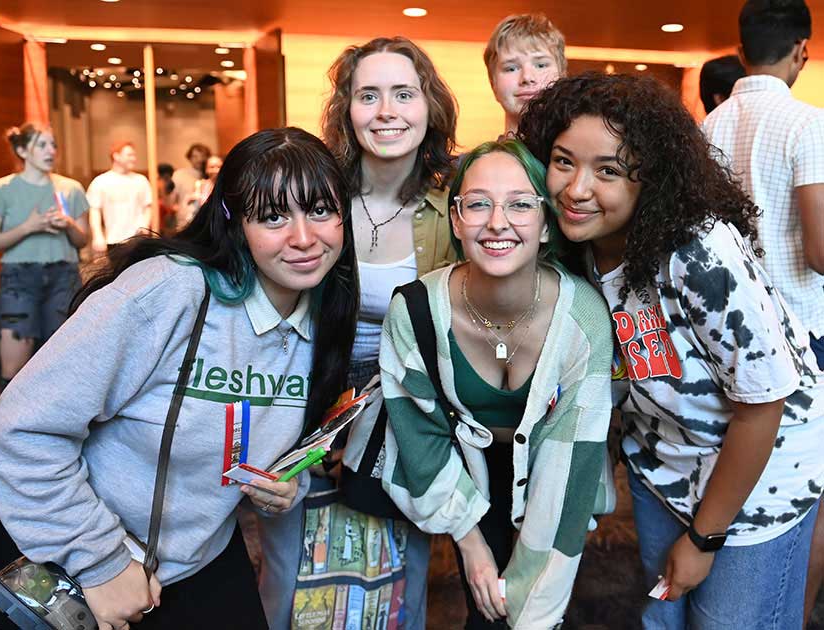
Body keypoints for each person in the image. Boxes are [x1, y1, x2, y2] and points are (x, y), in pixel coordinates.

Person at [0, 127, 359, 630]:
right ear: (233, 221)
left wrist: (284, 484)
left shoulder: (326, 311)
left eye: (320, 211)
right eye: (273, 216)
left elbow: (247, 431)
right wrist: (101, 564)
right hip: (77, 560)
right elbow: (24, 431)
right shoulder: (168, 291)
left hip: (198, 561)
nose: (304, 237)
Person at [520, 71, 824, 629]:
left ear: (651, 180)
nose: (576, 188)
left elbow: (764, 405)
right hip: (663, 463)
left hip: (760, 478)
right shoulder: (580, 245)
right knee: (662, 620)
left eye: (608, 171)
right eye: (564, 161)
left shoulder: (697, 251)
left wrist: (706, 537)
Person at [257, 36, 458, 630]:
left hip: (409, 403)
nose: (387, 111)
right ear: (347, 108)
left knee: (398, 572)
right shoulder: (316, 195)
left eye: (404, 93)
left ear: (430, 107)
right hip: (304, 393)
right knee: (290, 569)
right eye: (368, 95)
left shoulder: (455, 206)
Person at [379, 138, 614, 629]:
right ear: (457, 219)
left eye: (521, 204)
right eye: (479, 203)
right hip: (462, 471)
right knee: (481, 606)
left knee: (536, 613)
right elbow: (420, 436)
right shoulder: (416, 309)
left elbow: (570, 466)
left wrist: (531, 607)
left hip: (556, 477)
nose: (497, 222)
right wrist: (470, 543)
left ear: (547, 223)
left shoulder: (583, 317)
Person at [701, 2, 824, 618]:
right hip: (806, 336)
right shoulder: (808, 123)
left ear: (742, 48)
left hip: (728, 337)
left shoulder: (710, 127)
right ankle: (791, 612)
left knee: (735, 486)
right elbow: (822, 252)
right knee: (806, 495)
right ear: (802, 49)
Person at [0, 122, 89, 393]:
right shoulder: (1, 188)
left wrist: (68, 225)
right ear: (22, 150)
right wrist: (29, 226)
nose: (51, 150)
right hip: (19, 278)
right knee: (14, 365)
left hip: (64, 277)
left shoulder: (71, 188)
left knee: (60, 359)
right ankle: (8, 429)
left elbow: (82, 239)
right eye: (42, 145)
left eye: (54, 145)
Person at [484, 14, 566, 138]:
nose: (527, 77)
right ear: (493, 84)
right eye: (511, 68)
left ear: (562, 75)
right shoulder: (475, 158)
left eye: (541, 65)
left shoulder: (584, 155)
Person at [87, 141, 153, 255]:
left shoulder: (141, 180)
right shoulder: (101, 181)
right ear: (116, 156)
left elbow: (148, 206)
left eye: (134, 155)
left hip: (138, 239)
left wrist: (145, 225)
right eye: (129, 155)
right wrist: (97, 235)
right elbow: (94, 210)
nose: (134, 158)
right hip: (114, 239)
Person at [172, 142, 211, 229]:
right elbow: (172, 201)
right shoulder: (179, 174)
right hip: (185, 222)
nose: (199, 159)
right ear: (189, 158)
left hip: (207, 222)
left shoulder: (212, 175)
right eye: (195, 156)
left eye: (203, 156)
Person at [182, 155, 223, 227]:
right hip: (203, 224)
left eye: (219, 167)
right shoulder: (200, 185)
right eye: (212, 167)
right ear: (206, 169)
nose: (215, 170)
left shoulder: (227, 185)